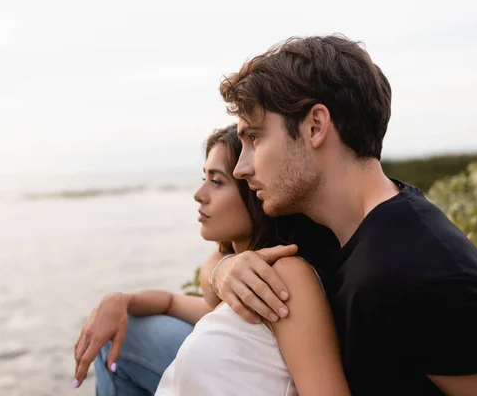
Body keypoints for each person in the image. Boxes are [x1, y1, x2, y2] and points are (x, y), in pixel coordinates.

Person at [206, 34, 477, 395]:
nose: (241, 168)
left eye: (255, 138)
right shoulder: (327, 227)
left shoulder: (418, 270)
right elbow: (217, 267)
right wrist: (226, 269)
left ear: (315, 126)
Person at [73, 124, 348, 395]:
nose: (199, 195)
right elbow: (173, 303)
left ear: (254, 190)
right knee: (117, 336)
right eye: (204, 178)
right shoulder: (241, 280)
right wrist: (121, 300)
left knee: (114, 349)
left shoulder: (282, 279)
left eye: (216, 181)